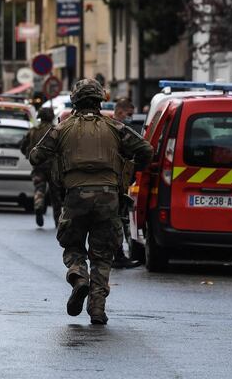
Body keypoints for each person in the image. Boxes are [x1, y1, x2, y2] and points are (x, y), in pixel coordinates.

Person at [30, 79, 152, 325]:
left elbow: (35, 156)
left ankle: (78, 276)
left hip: (75, 194)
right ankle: (97, 308)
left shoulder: (62, 129)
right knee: (103, 252)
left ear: (75, 100)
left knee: (73, 244)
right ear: (99, 100)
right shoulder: (115, 127)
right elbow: (146, 150)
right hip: (108, 196)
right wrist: (128, 167)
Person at [20, 107, 62, 227]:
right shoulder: (55, 130)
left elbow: (23, 146)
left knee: (39, 189)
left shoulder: (33, 131)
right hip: (54, 167)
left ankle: (38, 205)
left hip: (38, 165)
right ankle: (57, 220)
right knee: (56, 195)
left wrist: (29, 156)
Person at [111, 97, 141, 268]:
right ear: (120, 112)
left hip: (111, 179)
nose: (131, 117)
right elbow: (143, 150)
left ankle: (116, 254)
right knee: (117, 219)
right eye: (129, 114)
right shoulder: (120, 130)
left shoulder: (106, 127)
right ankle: (118, 256)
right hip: (117, 180)